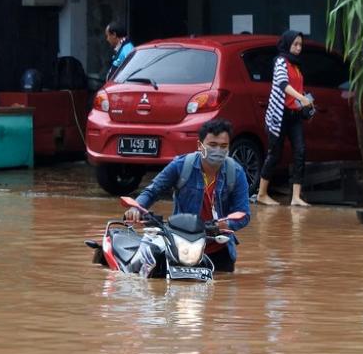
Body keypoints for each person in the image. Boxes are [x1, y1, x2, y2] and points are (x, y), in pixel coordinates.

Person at [124, 119, 251, 272]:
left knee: (222, 290)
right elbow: (153, 191)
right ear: (200, 146)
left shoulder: (236, 172)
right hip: (181, 245)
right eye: (212, 145)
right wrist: (136, 208)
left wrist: (223, 225)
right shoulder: (181, 165)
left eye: (223, 146)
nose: (218, 150)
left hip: (219, 249)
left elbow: (243, 214)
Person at [257, 30, 313, 207]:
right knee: (275, 154)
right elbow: (282, 84)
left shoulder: (296, 65)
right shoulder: (281, 61)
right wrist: (302, 98)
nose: (298, 48)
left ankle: (296, 196)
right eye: (295, 44)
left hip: (294, 115)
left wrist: (306, 101)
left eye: (300, 45)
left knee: (300, 151)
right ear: (287, 44)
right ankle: (261, 193)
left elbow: (297, 88)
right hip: (279, 116)